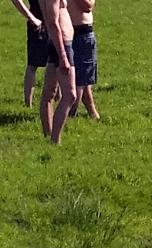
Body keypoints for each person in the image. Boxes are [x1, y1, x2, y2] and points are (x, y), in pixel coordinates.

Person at [39, 0, 76, 144]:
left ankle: (48, 135)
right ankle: (55, 140)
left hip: (57, 43)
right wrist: (63, 56)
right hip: (61, 44)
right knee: (70, 95)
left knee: (49, 92)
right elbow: (53, 22)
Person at [10, 0, 49, 107]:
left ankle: (56, 100)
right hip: (39, 25)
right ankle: (28, 104)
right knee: (33, 65)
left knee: (57, 64)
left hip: (57, 23)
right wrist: (32, 18)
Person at [68, 0, 99, 120]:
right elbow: (87, 6)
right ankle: (69, 115)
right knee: (80, 80)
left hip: (73, 31)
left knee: (84, 79)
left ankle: (93, 114)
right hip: (81, 33)